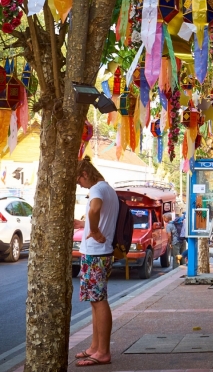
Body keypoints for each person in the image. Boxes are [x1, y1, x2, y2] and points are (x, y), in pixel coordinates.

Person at [73, 156, 119, 367]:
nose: (79, 185)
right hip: (100, 253)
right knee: (95, 300)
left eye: (78, 181)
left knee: (99, 301)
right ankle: (95, 346)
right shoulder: (107, 188)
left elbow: (95, 208)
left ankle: (103, 351)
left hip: (96, 254)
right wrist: (84, 225)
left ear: (85, 174)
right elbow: (96, 213)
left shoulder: (97, 190)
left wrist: (94, 230)